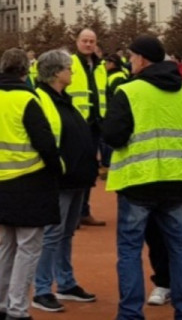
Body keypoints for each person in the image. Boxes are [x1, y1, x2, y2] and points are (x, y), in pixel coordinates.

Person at [102, 35, 182, 320]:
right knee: (179, 247)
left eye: (131, 56)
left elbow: (113, 136)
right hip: (177, 183)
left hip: (138, 181)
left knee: (130, 250)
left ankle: (130, 313)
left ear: (141, 59)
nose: (129, 61)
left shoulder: (128, 91)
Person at [0, 48, 61, 320]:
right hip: (29, 177)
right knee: (28, 247)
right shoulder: (26, 99)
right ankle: (17, 308)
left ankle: (1, 304)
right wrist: (57, 168)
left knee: (6, 244)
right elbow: (45, 141)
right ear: (26, 71)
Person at [31, 50, 99, 314]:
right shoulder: (42, 99)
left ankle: (66, 282)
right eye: (68, 68)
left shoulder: (63, 99)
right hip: (59, 178)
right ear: (56, 72)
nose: (72, 72)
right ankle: (42, 289)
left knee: (65, 234)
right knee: (51, 235)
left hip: (76, 177)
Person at [68, 29, 107, 227]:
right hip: (75, 124)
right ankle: (73, 214)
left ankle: (83, 211)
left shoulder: (100, 66)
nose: (88, 44)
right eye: (85, 41)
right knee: (76, 169)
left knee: (90, 169)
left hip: (95, 124)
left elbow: (103, 93)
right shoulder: (70, 64)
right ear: (77, 42)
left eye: (92, 41)